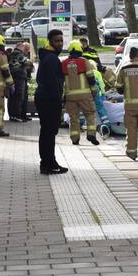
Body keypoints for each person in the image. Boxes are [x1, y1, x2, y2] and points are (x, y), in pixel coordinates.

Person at [35, 29, 69, 174]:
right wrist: (58, 101)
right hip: (49, 99)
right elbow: (53, 82)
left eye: (61, 40)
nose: (60, 43)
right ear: (50, 42)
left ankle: (50, 162)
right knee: (49, 133)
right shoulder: (52, 59)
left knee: (47, 132)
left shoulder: (48, 57)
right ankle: (48, 164)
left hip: (44, 98)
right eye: (57, 41)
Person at [62, 41, 100, 145]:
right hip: (85, 95)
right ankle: (91, 134)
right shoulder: (84, 61)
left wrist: (63, 96)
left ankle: (75, 139)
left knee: (73, 117)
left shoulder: (64, 63)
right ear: (80, 50)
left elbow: (61, 81)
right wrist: (94, 91)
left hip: (70, 96)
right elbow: (91, 78)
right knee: (90, 114)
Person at [7, 44, 30, 122]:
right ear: (21, 47)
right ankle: (17, 115)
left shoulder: (13, 54)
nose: (26, 51)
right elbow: (27, 62)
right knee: (18, 96)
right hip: (19, 77)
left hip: (14, 77)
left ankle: (14, 115)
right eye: (25, 49)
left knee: (13, 97)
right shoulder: (19, 53)